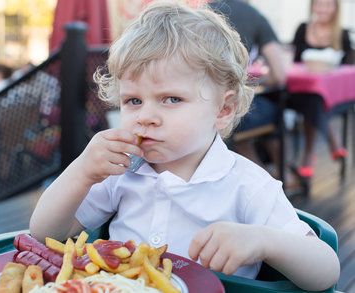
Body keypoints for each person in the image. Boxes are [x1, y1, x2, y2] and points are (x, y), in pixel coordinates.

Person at [30, 2, 339, 290]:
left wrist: (262, 240)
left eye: (171, 99)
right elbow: (46, 234)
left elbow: (326, 271)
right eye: (133, 101)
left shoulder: (248, 186)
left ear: (223, 110)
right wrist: (82, 171)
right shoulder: (120, 172)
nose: (146, 117)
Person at [209, 0, 287, 177]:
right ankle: (280, 176)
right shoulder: (254, 15)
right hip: (230, 110)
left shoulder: (200, 14)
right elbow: (279, 75)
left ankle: (262, 175)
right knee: (273, 110)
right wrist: (257, 81)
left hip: (204, 107)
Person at [289, 0, 353, 179]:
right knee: (314, 100)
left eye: (328, 4)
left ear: (336, 8)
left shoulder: (343, 34)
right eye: (319, 4)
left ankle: (308, 156)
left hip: (331, 96)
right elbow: (293, 61)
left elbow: (347, 70)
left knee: (315, 100)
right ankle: (334, 142)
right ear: (312, 6)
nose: (322, 9)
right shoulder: (303, 29)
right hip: (300, 90)